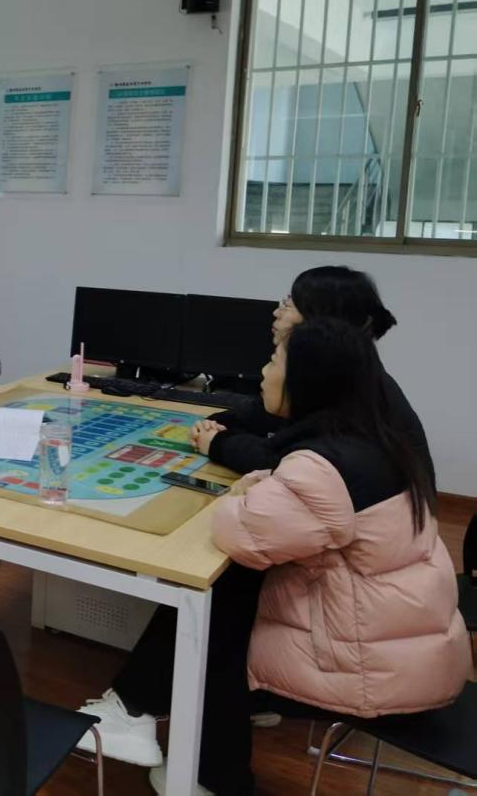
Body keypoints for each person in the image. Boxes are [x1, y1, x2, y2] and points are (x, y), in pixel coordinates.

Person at [75, 318, 470, 795]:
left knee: (213, 617)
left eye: (273, 361)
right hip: (404, 649)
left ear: (307, 381)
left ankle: (204, 773)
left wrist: (250, 486)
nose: (262, 372)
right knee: (230, 594)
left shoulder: (325, 465)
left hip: (373, 672)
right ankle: (159, 732)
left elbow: (240, 530)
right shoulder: (371, 438)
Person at [191, 266, 434, 488]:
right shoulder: (348, 370)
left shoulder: (351, 386)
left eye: (288, 305)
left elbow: (285, 462)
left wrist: (218, 442)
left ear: (318, 319)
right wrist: (220, 424)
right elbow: (263, 416)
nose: (276, 312)